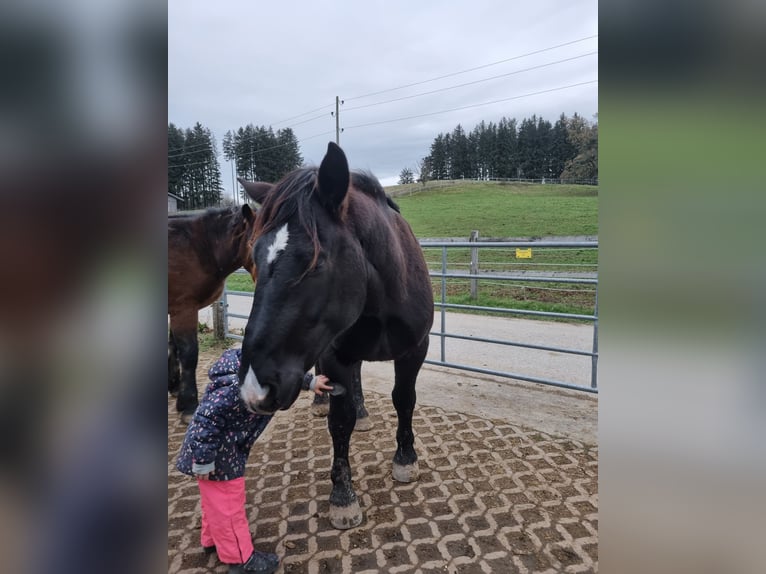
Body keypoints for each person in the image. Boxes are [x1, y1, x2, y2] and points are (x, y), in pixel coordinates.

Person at [176, 348, 333, 574]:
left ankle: (212, 541)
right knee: (229, 505)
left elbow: (282, 368)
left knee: (215, 502)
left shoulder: (256, 366)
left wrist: (309, 382)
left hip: (221, 450)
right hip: (217, 456)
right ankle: (241, 559)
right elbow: (205, 422)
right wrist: (203, 461)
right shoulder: (233, 391)